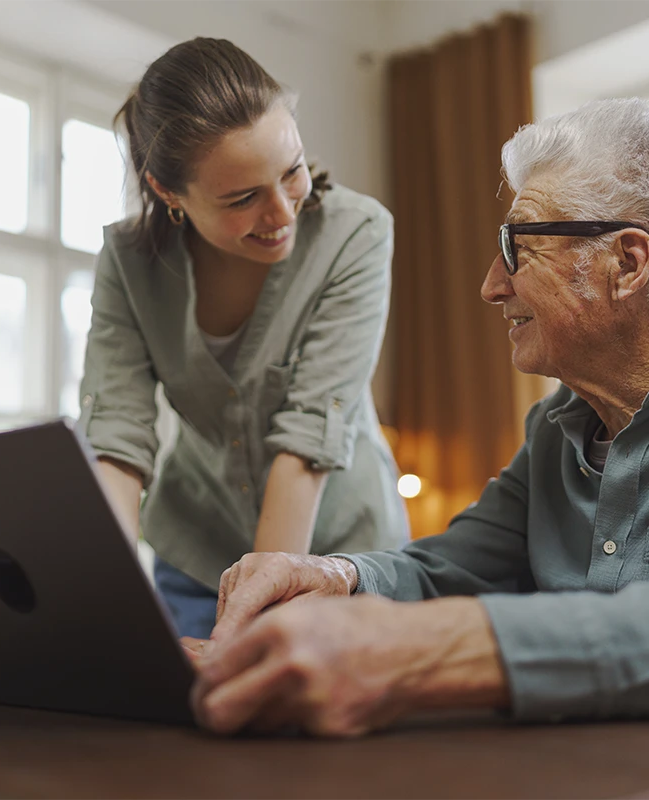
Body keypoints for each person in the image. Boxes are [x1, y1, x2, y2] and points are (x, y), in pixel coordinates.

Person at [187, 97, 649, 737]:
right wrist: (335, 577)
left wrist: (444, 651)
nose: (491, 285)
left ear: (626, 263)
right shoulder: (554, 430)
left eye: (518, 247)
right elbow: (450, 571)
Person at [78, 38, 408, 640]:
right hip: (197, 557)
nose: (282, 212)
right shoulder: (129, 262)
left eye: (293, 172)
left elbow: (308, 438)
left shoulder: (354, 235)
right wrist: (103, 598)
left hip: (344, 562)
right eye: (243, 198)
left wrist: (254, 622)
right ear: (167, 193)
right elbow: (118, 440)